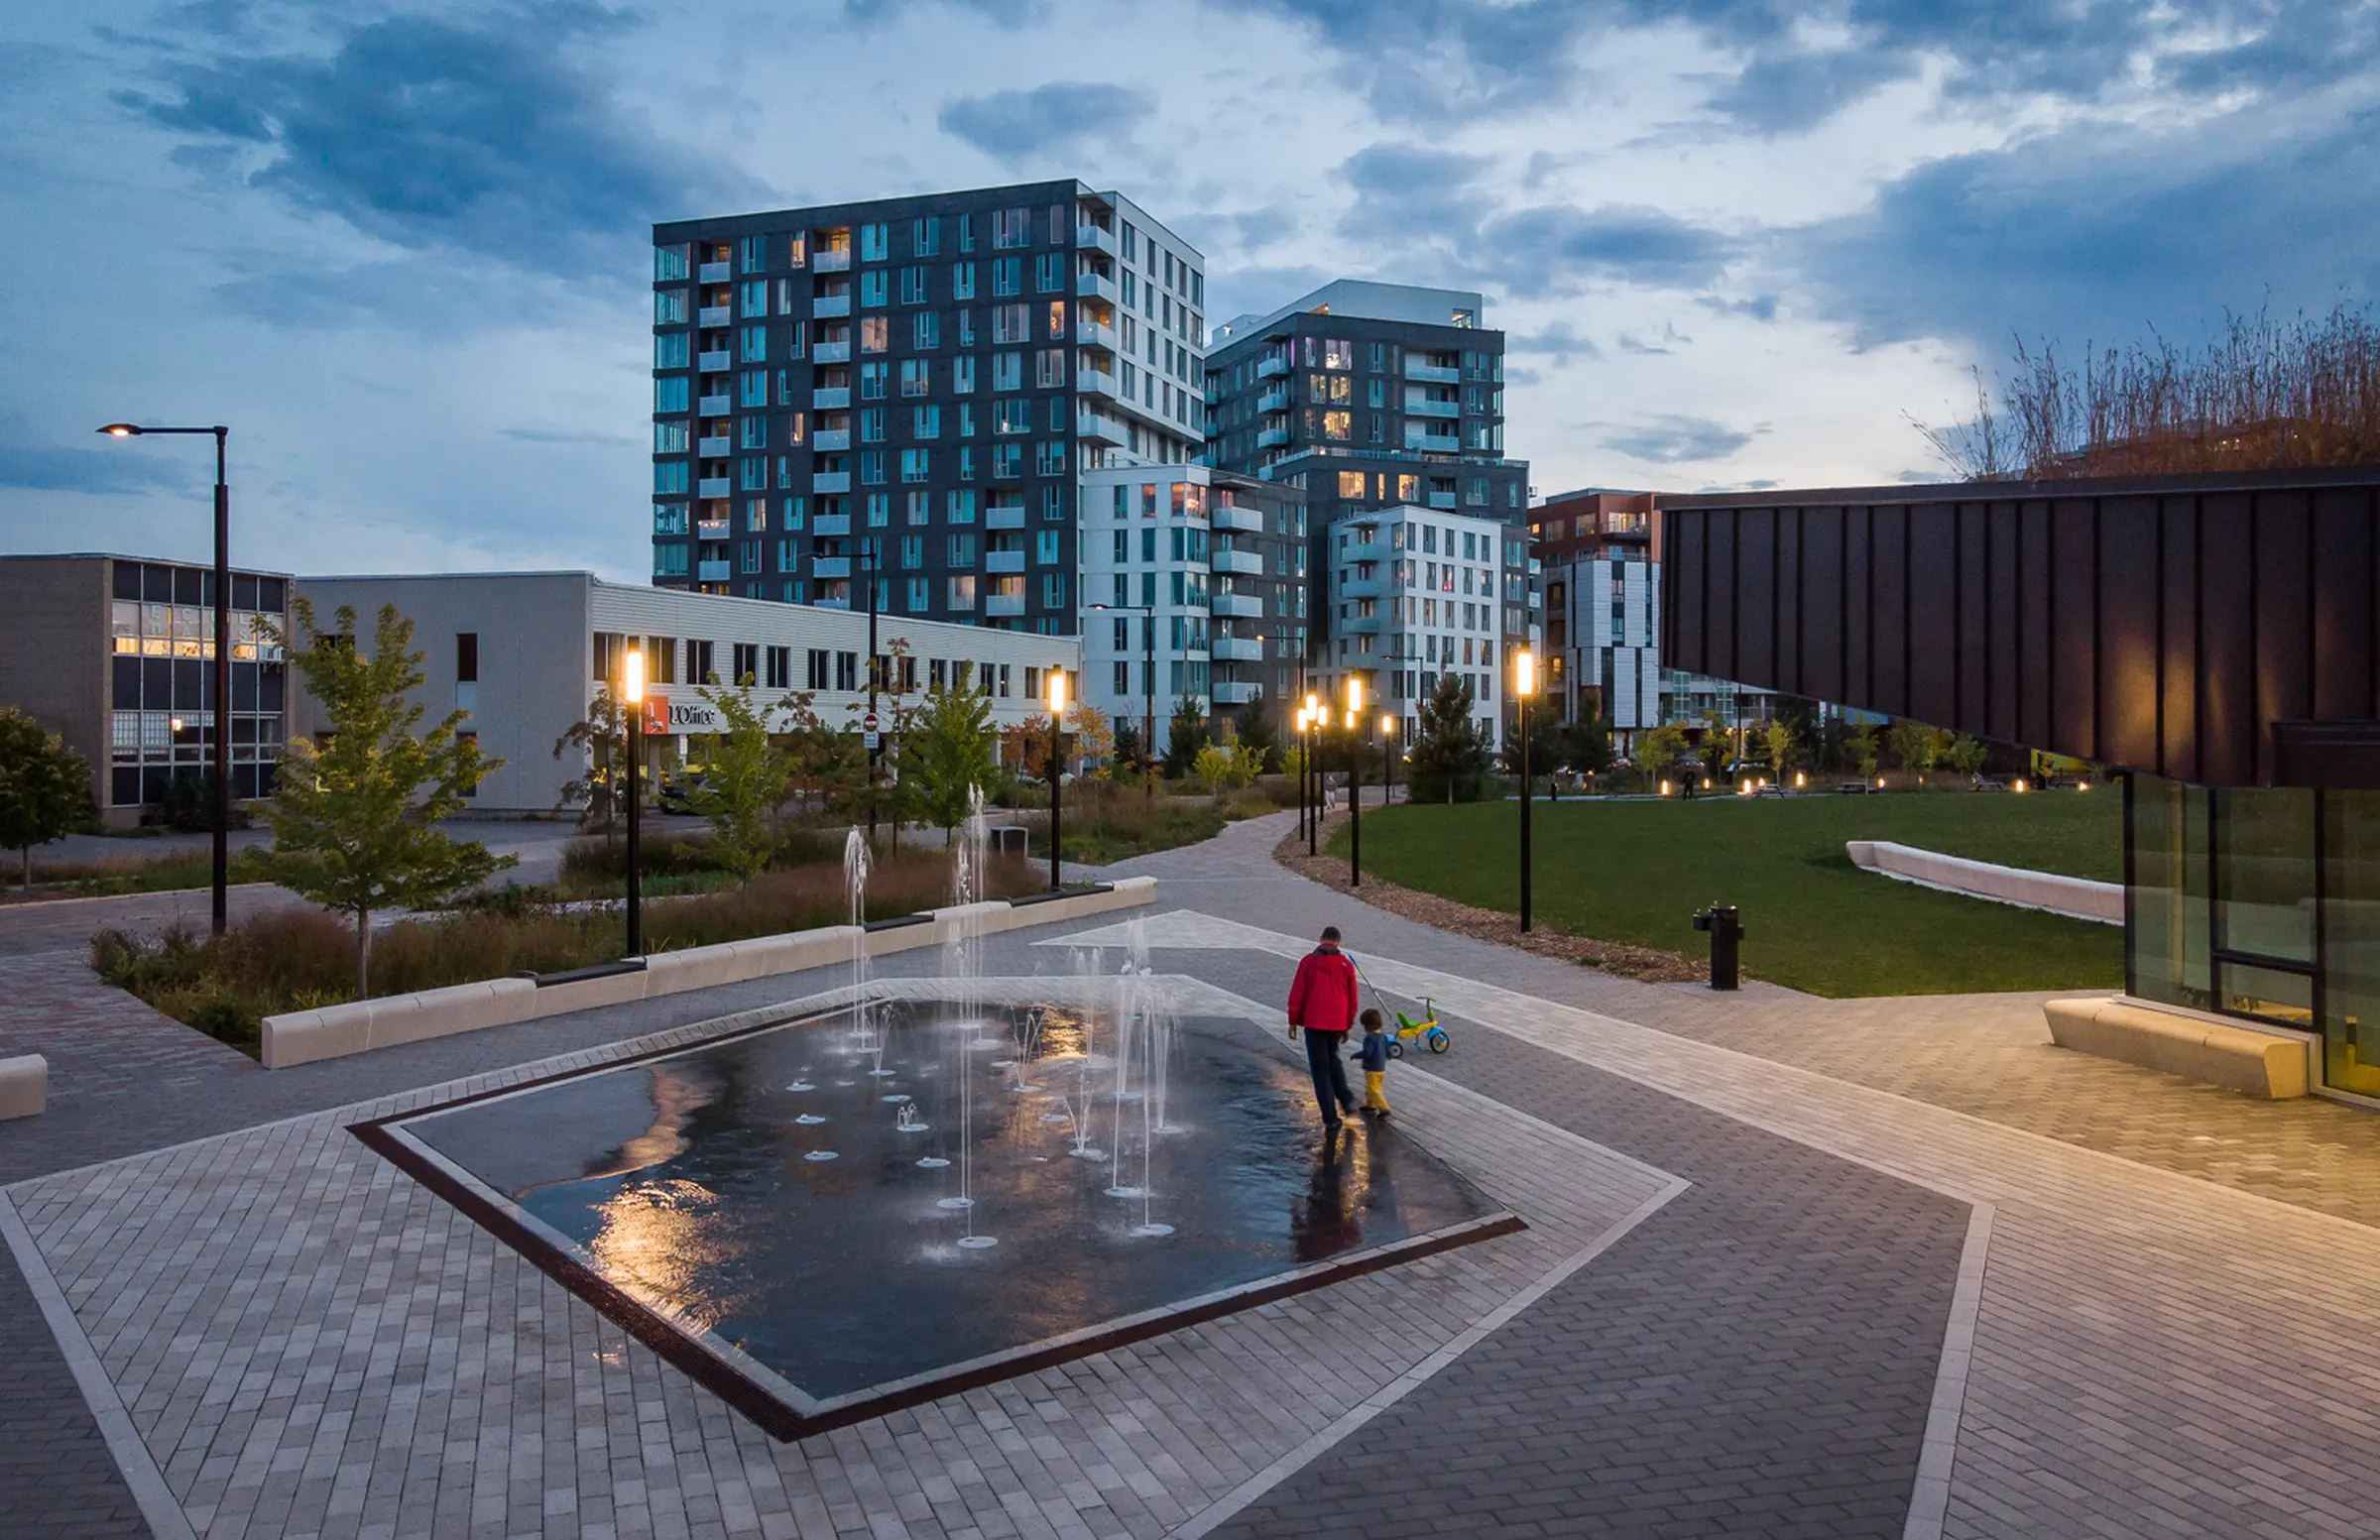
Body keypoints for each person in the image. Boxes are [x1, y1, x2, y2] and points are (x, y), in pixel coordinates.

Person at [1285, 924, 1361, 1128]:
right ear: (1338, 942)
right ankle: (1347, 1100)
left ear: (1321, 939)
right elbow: (1353, 998)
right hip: (1337, 1022)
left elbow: (1298, 993)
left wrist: (1293, 1020)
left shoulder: (1308, 962)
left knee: (1320, 1069)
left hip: (1314, 1021)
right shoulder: (1345, 965)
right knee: (1334, 1060)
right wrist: (1347, 1024)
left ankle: (1330, 1117)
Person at [1355, 1007, 1392, 1119]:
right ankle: (1370, 1105)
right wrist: (1388, 1056)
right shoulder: (1384, 1037)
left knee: (1373, 1089)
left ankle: (1384, 1109)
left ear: (1368, 1026)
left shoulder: (1369, 1038)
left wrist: (1356, 1055)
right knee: (1372, 1087)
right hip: (1381, 1069)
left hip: (1371, 1069)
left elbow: (1367, 1052)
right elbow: (1389, 1052)